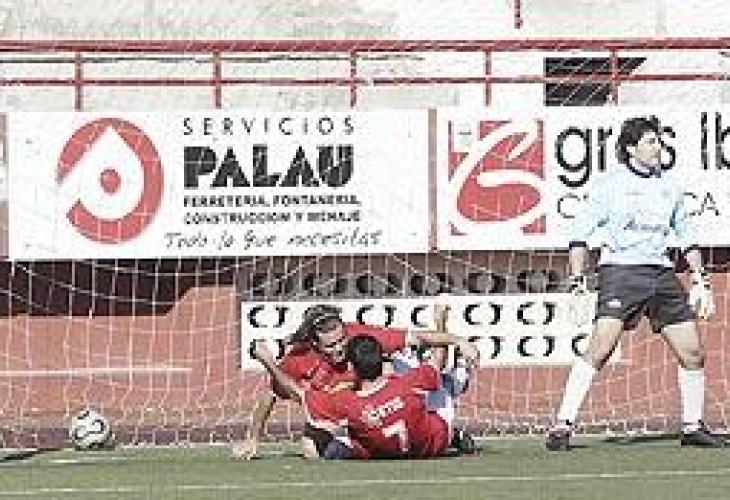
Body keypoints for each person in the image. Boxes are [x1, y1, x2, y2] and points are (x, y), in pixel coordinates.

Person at [546, 115, 722, 450]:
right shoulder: (609, 185)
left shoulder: (669, 185)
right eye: (650, 141)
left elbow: (687, 236)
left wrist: (700, 279)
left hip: (662, 274)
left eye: (659, 141)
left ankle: (692, 426)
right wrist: (578, 282)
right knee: (601, 346)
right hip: (621, 273)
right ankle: (562, 425)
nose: (658, 147)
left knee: (693, 352)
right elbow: (579, 234)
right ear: (630, 148)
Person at [232, 303, 475, 459]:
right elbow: (271, 394)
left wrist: (458, 340)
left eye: (342, 340)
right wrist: (253, 439)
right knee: (310, 449)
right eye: (331, 345)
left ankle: (449, 387)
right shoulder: (298, 360)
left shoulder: (362, 337)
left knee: (422, 376)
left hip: (383, 394)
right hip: (348, 408)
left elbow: (417, 337)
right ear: (314, 344)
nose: (340, 348)